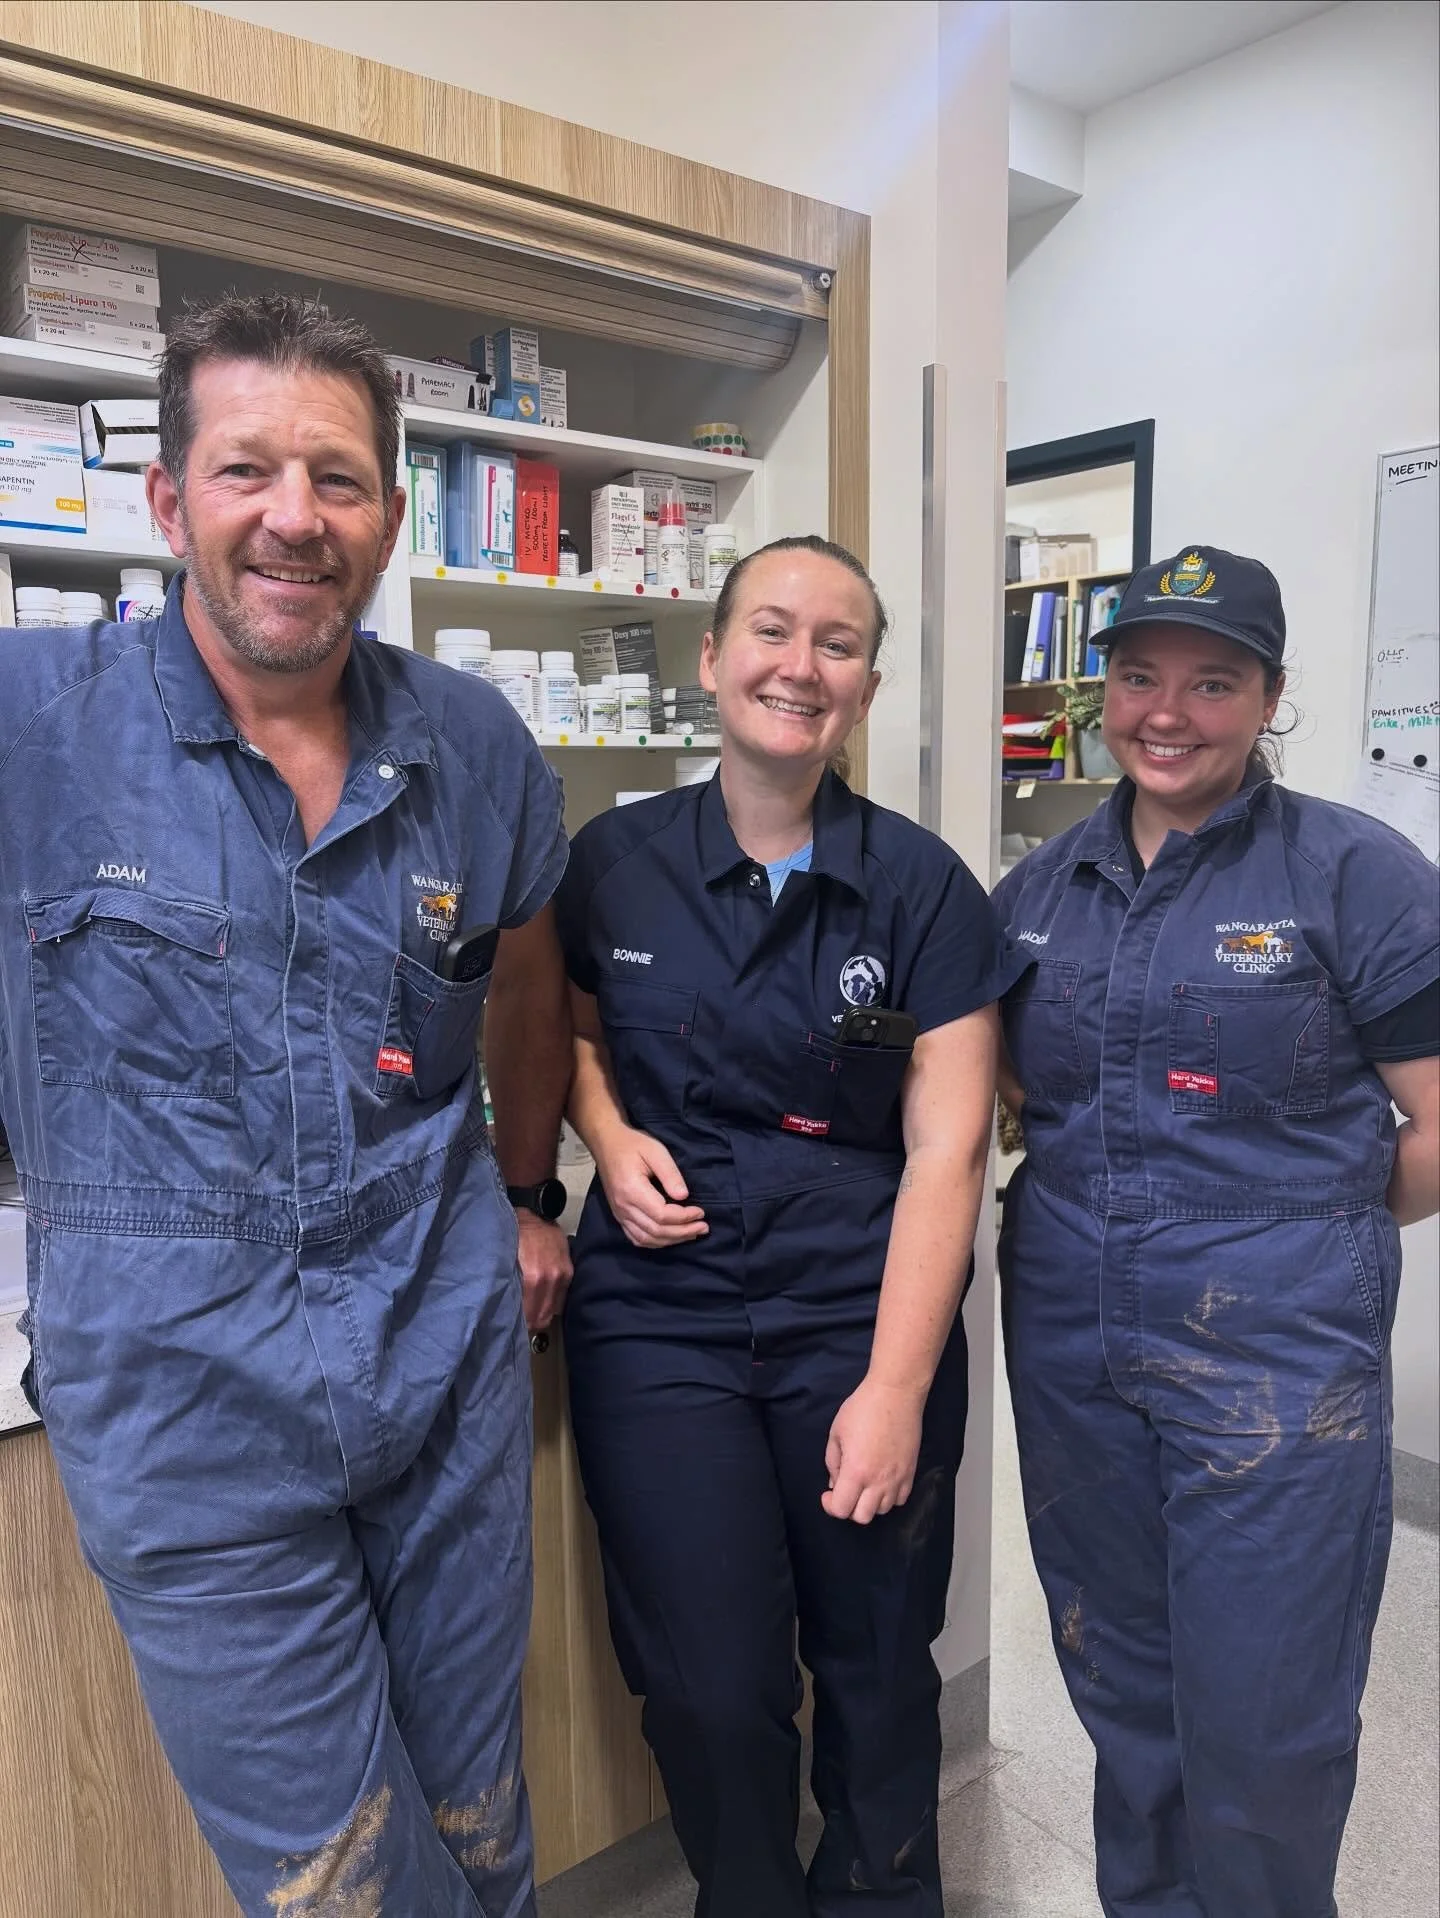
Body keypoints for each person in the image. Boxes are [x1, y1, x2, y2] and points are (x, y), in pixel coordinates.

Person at [0, 293, 575, 1917]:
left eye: (337, 478)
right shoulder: (33, 723)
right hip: (184, 1405)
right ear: (170, 500)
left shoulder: (468, 740)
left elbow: (527, 976)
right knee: (342, 1883)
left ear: (389, 515)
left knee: (476, 1822)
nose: (293, 517)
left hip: (440, 1358)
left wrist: (526, 1196)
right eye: (247, 470)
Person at [552, 534, 1013, 1917]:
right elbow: (566, 1029)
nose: (797, 664)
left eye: (836, 642)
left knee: (873, 1658)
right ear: (710, 657)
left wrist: (894, 1383)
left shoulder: (924, 889)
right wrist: (605, 1127)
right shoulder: (614, 860)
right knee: (707, 1676)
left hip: (857, 1313)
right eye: (769, 629)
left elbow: (948, 1149)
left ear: (865, 686)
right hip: (660, 1318)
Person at [993, 545, 1440, 1918]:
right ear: (1101, 689)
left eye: (1212, 681)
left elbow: (1433, 1124)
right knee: (1124, 1687)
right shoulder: (1036, 891)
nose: (1166, 711)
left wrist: (1294, 1239)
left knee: (1265, 1712)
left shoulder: (1354, 873)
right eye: (1138, 676)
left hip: (1280, 1350)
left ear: (1270, 696)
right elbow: (1012, 1106)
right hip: (1074, 1331)